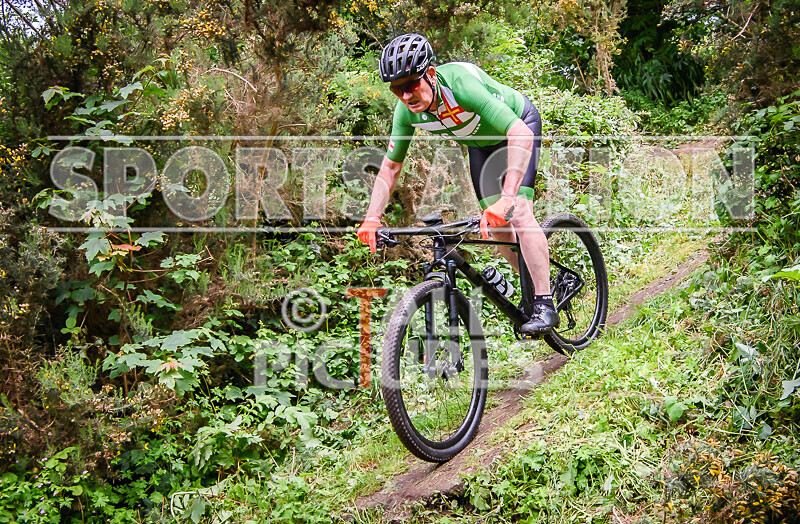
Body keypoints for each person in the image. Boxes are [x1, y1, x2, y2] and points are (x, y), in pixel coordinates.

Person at [356, 33, 559, 334]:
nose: (406, 96)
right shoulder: (406, 113)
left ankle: (545, 303)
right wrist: (372, 217)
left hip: (519, 127)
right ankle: (538, 283)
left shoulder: (461, 86)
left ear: (431, 74)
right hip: (481, 145)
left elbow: (520, 134)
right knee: (498, 226)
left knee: (517, 210)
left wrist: (507, 196)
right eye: (397, 90)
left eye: (411, 84)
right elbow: (391, 166)